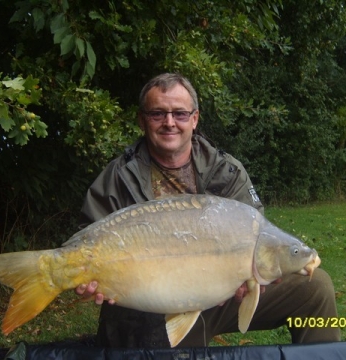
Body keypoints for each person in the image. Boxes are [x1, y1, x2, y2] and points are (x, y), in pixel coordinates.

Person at [76, 73, 341, 348]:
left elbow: (260, 240)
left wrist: (254, 277)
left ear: (194, 118)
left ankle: (322, 354)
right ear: (142, 120)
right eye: (158, 114)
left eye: (179, 113)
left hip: (222, 296)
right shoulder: (118, 177)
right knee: (171, 344)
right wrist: (84, 277)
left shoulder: (225, 171)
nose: (169, 122)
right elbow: (87, 242)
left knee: (317, 288)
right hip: (149, 304)